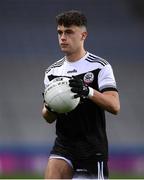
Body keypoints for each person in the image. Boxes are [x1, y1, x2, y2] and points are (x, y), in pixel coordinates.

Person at [42, 10, 120, 179]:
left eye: (69, 32)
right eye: (60, 32)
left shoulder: (100, 67)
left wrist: (87, 91)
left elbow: (114, 106)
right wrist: (50, 106)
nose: (63, 37)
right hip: (64, 145)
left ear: (83, 35)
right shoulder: (52, 72)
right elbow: (47, 117)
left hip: (92, 148)